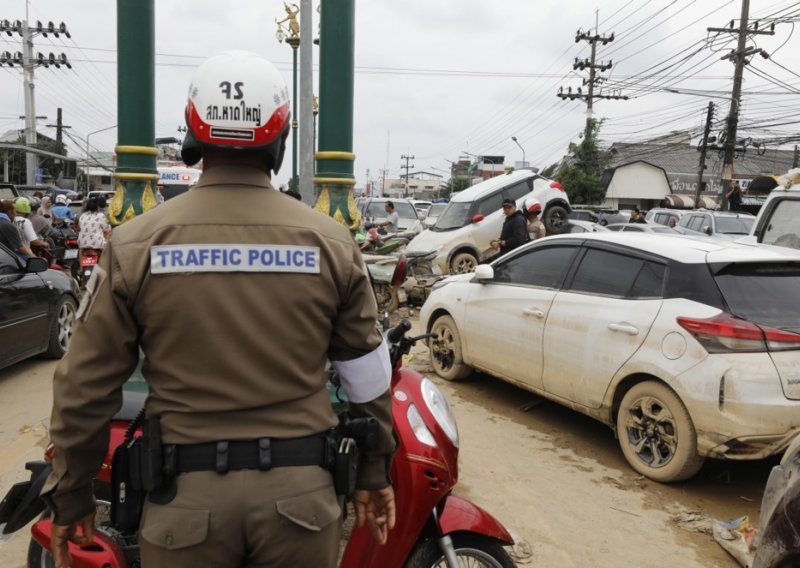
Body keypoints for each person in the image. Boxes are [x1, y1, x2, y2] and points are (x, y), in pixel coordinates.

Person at [42, 50, 396, 568]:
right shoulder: (331, 242)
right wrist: (372, 472)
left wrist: (71, 494)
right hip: (302, 504)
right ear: (278, 136)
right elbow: (367, 379)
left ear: (192, 128)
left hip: (183, 505)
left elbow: (84, 385)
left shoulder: (137, 243)